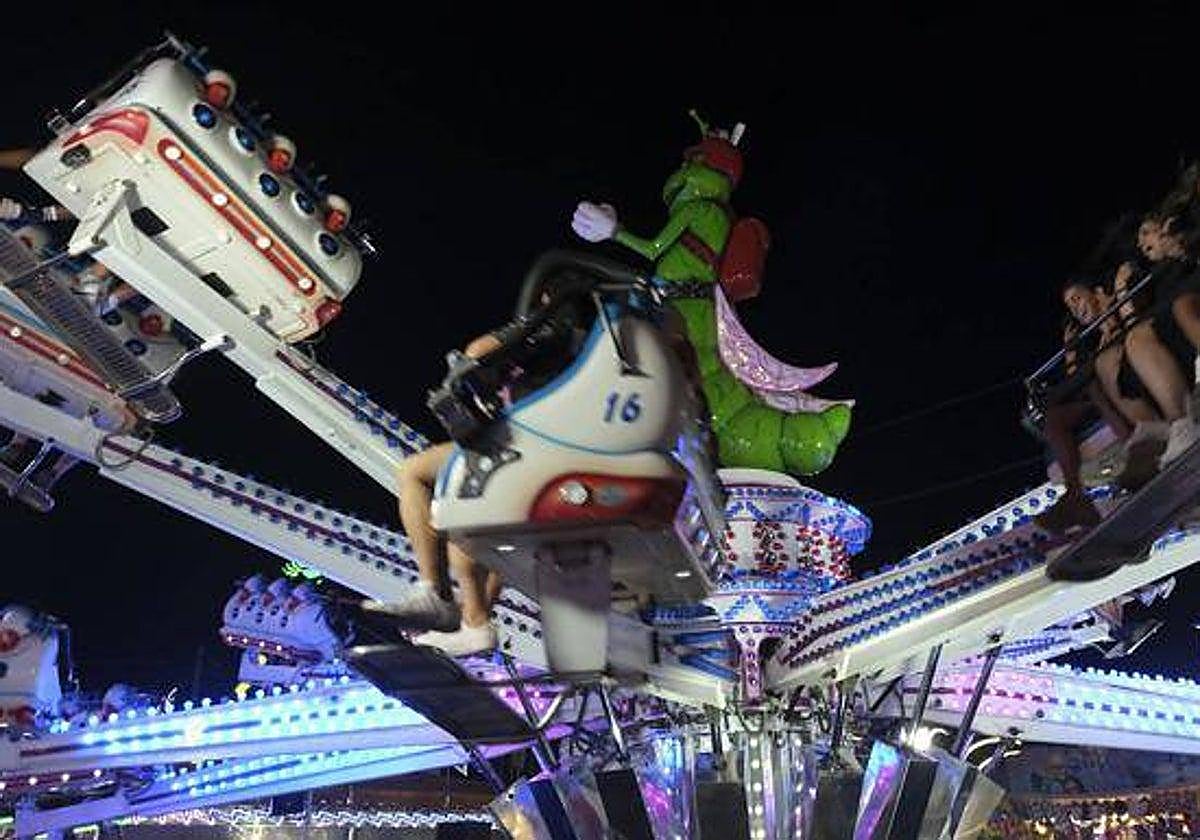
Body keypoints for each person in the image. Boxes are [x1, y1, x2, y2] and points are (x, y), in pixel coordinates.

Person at [364, 277, 594, 656]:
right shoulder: (584, 342)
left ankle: (434, 593)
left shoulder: (553, 324)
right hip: (544, 447)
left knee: (420, 477)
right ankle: (475, 623)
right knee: (486, 529)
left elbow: (481, 350)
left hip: (525, 444)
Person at [1035, 276, 1165, 534]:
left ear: (1095, 293)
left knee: (1095, 385)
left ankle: (1139, 454)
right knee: (1054, 420)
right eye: (1070, 307)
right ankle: (1076, 497)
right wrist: (1070, 351)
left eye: (1077, 299)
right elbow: (1076, 380)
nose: (1076, 308)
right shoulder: (1087, 339)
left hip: (1124, 372)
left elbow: (1124, 337)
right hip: (1096, 389)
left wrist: (1108, 316)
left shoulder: (1116, 308)